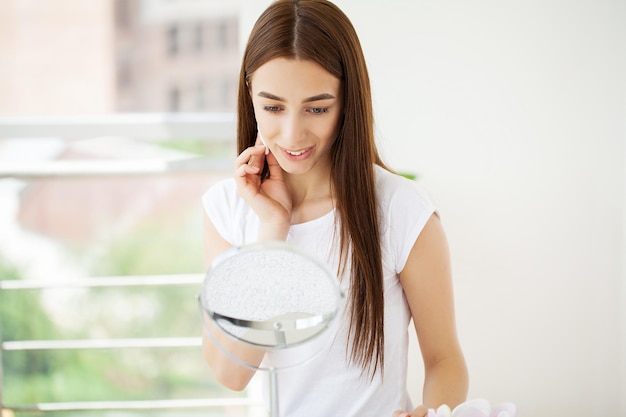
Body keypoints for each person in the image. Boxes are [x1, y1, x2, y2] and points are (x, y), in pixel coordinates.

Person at [201, 0, 469, 416]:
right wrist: (273, 228)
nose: (292, 133)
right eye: (273, 107)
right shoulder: (227, 209)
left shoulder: (400, 209)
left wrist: (435, 412)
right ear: (249, 92)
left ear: (347, 101)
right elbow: (230, 373)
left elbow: (444, 360)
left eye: (317, 108)